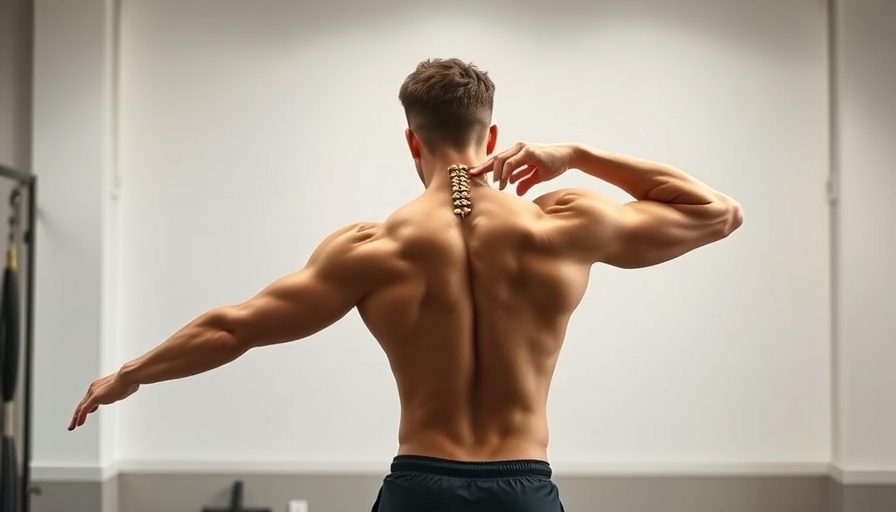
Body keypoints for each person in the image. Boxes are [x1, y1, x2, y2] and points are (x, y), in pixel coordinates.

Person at [70, 58, 743, 511]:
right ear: (494, 135)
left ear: (412, 142)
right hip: (524, 491)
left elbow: (232, 328)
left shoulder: (375, 248)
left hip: (421, 486)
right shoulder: (561, 226)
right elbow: (717, 213)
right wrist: (574, 155)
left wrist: (130, 374)